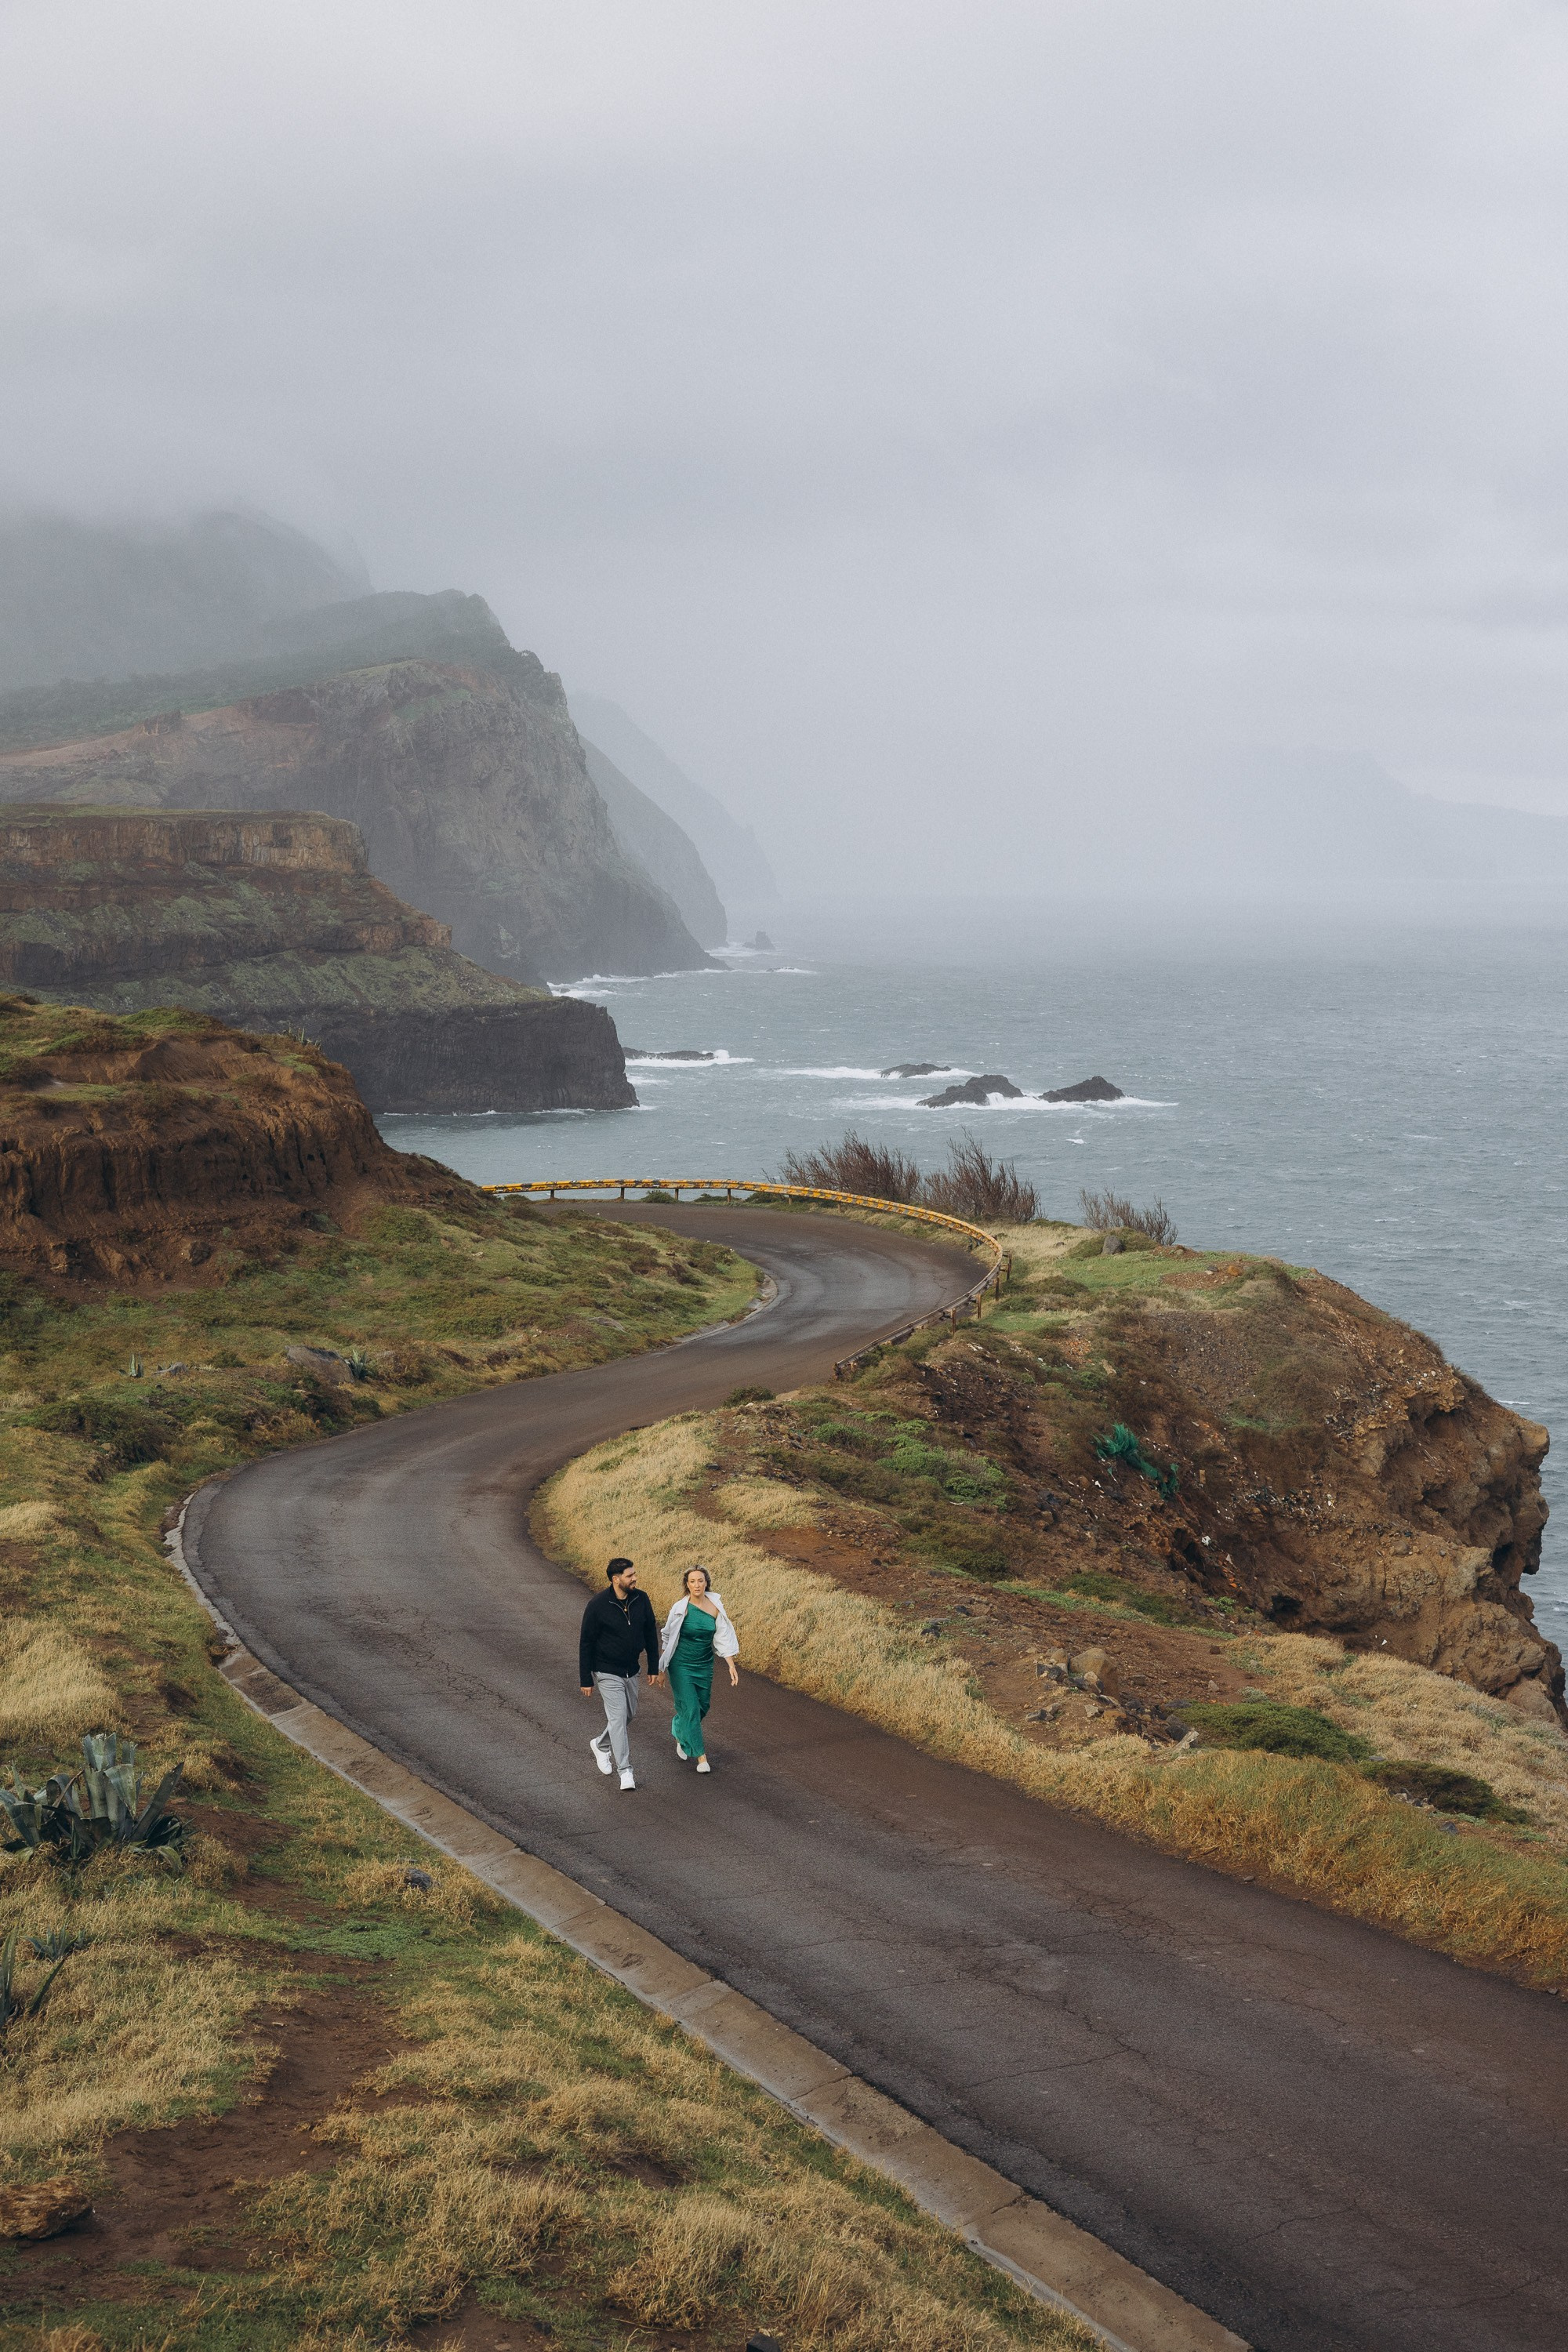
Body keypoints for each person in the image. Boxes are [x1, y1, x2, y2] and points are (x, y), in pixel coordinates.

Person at [579, 1556, 662, 1791]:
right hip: (606, 1669)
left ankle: (601, 1744)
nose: (634, 1578)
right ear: (616, 1580)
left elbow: (649, 1633)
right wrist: (586, 1678)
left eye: (634, 1574)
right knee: (617, 1718)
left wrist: (652, 1667)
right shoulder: (598, 1605)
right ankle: (625, 1771)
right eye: (629, 1575)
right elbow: (586, 1642)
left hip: (631, 1669)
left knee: (628, 1716)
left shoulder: (641, 1599)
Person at [658, 1565, 739, 1773]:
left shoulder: (715, 1607)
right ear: (687, 1584)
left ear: (706, 1583)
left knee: (702, 1707)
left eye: (700, 1581)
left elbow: (723, 1638)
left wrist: (731, 1665)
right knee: (692, 1709)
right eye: (692, 1581)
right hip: (681, 1665)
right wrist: (661, 1666)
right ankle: (701, 1757)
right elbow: (667, 1636)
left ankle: (679, 1727)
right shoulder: (680, 1608)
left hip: (704, 1664)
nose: (697, 1585)